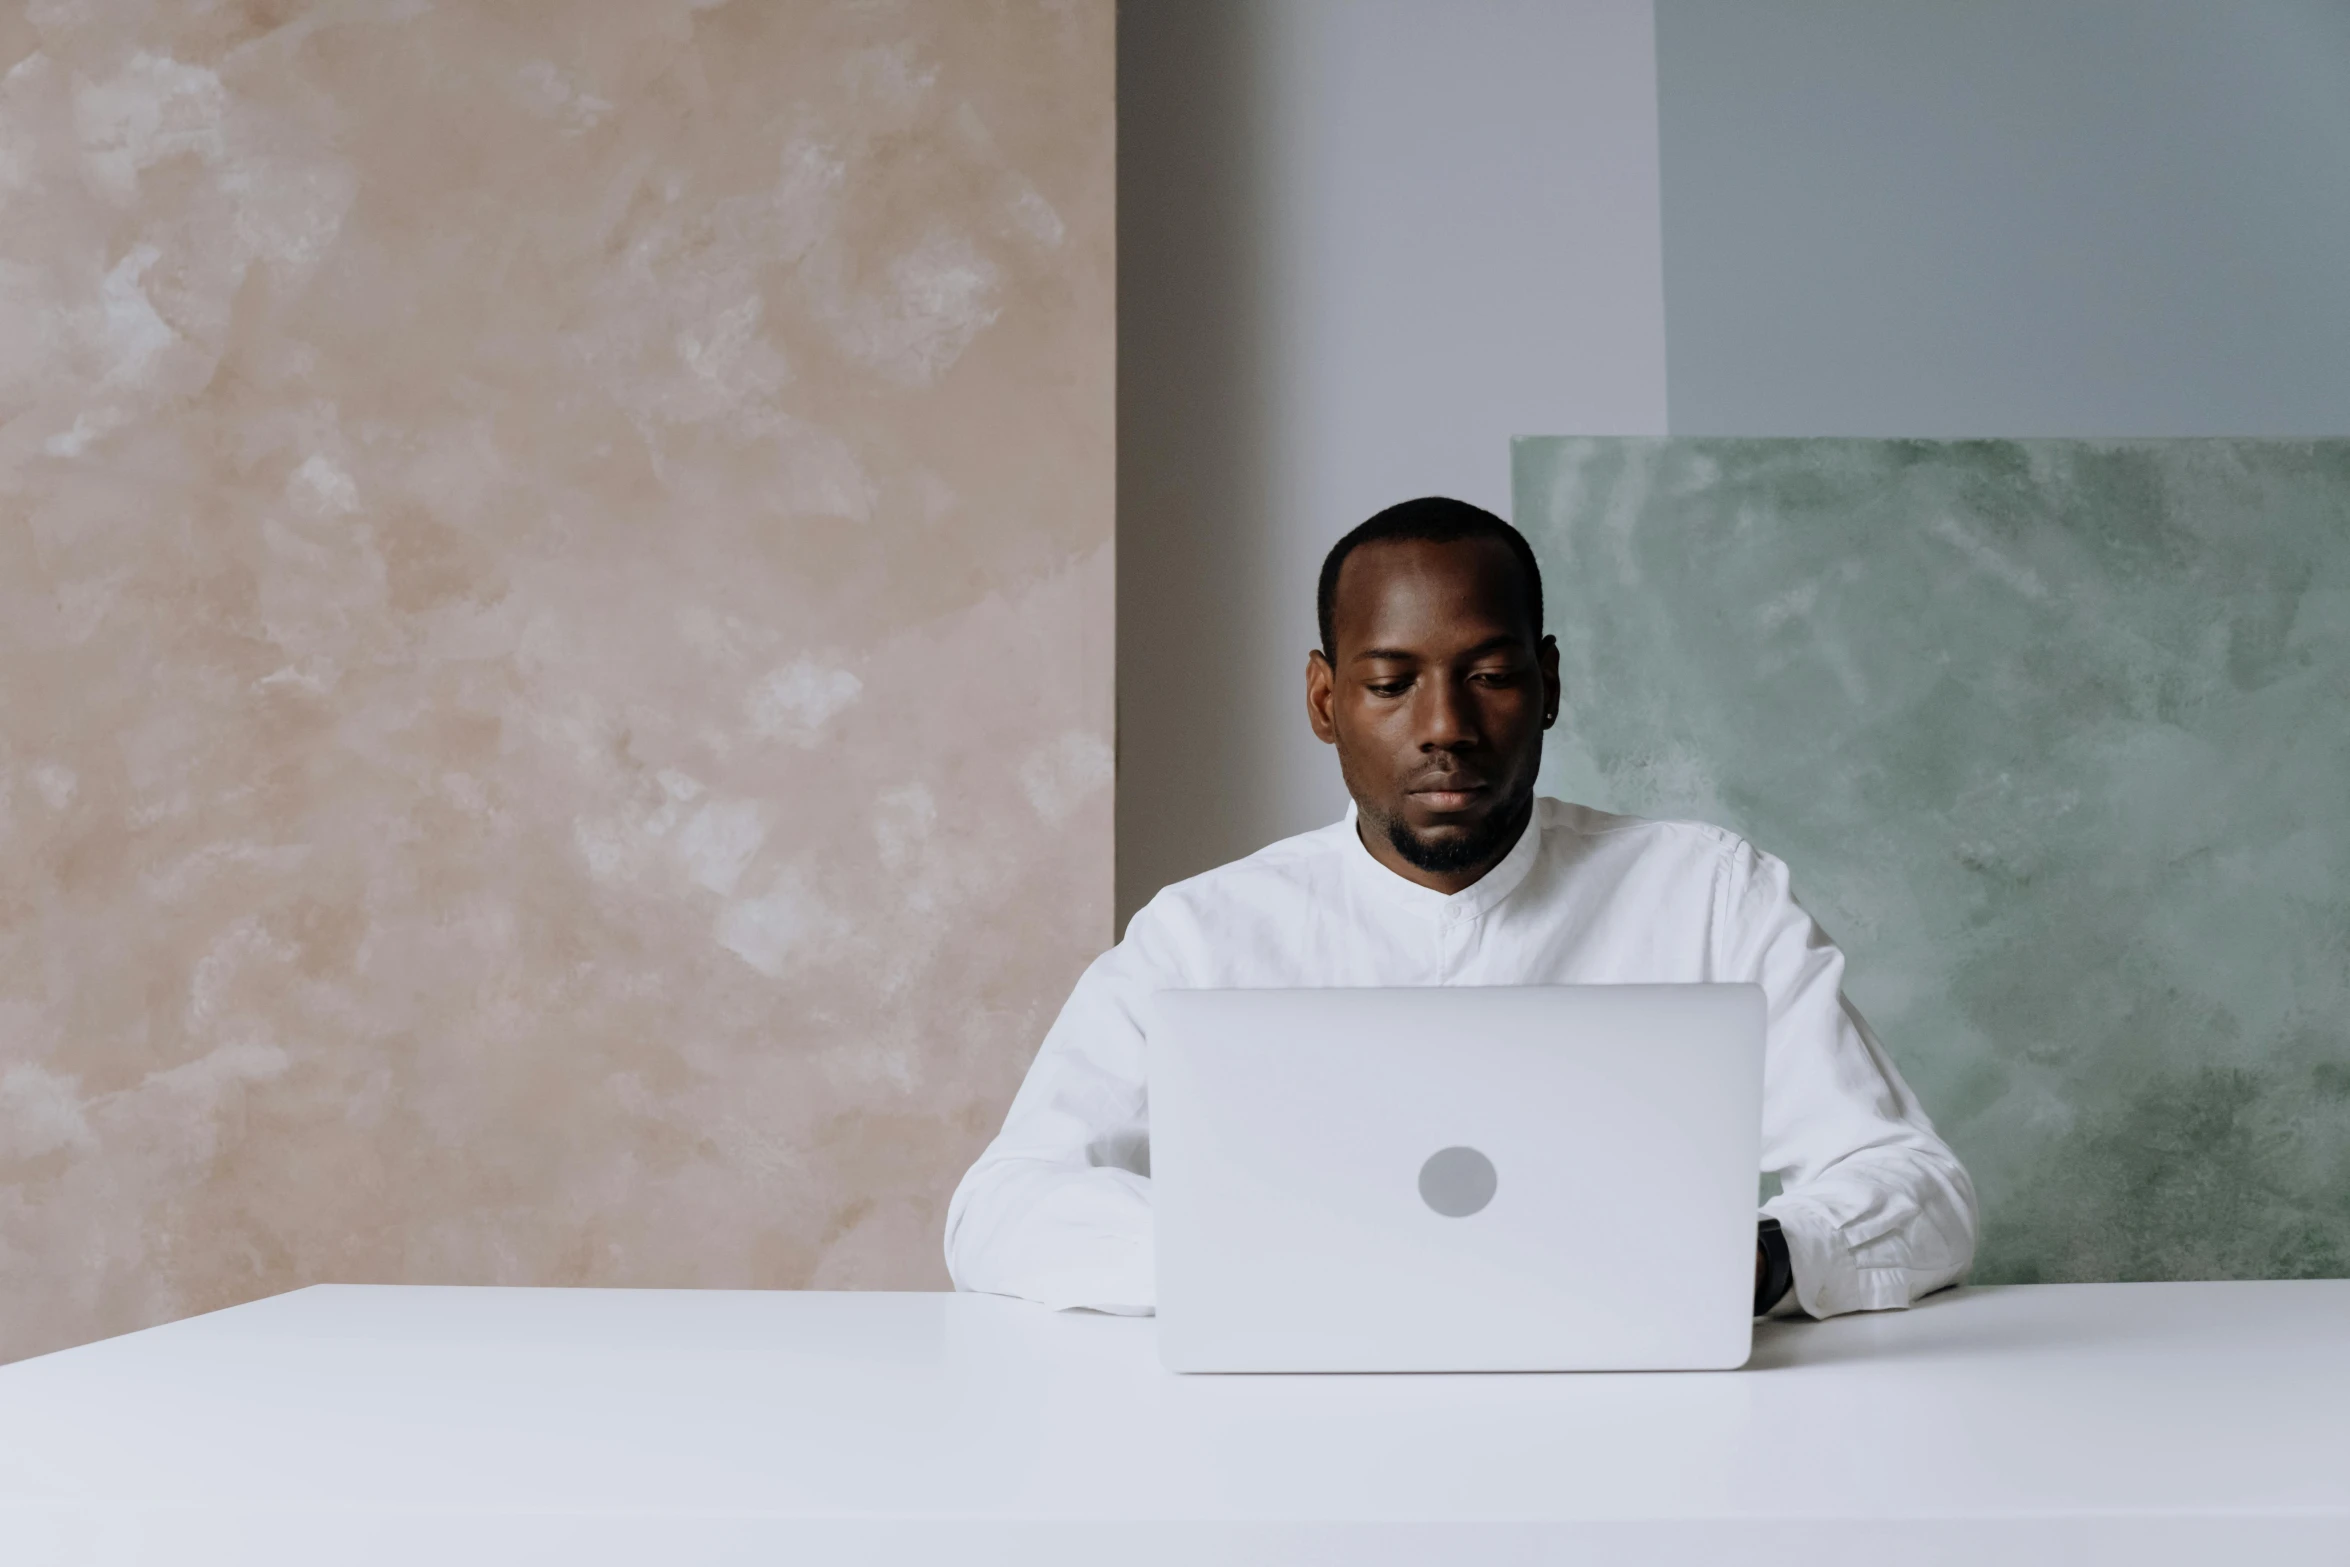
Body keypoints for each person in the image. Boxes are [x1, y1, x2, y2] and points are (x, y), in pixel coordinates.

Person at [945, 496, 1977, 1320]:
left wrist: (1753, 1259)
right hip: (1291, 1449)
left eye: (1487, 674)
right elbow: (1003, 1209)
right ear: (1323, 700)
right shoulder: (1202, 937)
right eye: (1390, 683)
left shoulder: (1708, 895)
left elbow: (1914, 1186)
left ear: (1549, 682)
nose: (1445, 726)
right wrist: (1265, 1260)